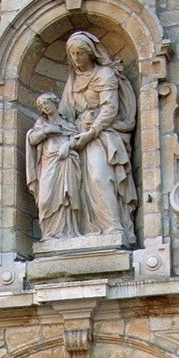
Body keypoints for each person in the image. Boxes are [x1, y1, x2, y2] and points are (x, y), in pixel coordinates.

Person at [57, 30, 137, 243]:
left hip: (101, 134)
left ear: (90, 53)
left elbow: (110, 109)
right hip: (77, 136)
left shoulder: (104, 74)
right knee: (75, 182)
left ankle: (113, 226)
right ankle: (85, 230)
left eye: (80, 53)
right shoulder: (72, 80)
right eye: (72, 54)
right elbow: (65, 112)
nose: (76, 58)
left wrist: (91, 133)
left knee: (99, 176)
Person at [25, 92, 83, 240]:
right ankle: (49, 234)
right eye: (41, 106)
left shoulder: (68, 125)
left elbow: (77, 139)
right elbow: (32, 139)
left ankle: (68, 231)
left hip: (66, 162)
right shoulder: (41, 124)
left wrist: (68, 146)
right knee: (45, 199)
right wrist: (47, 131)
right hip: (48, 162)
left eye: (46, 103)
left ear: (54, 103)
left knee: (67, 197)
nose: (44, 107)